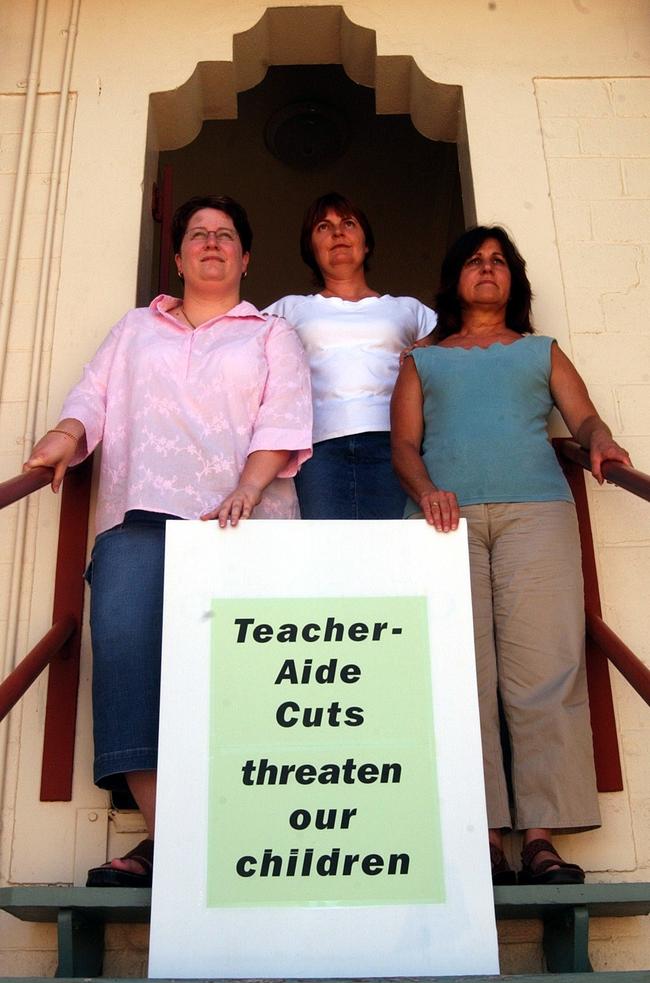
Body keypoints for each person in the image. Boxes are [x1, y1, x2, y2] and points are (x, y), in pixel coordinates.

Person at [24, 195, 312, 887]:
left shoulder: (271, 334)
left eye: (225, 236)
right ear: (178, 256)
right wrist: (63, 438)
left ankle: (239, 838)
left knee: (241, 680)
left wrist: (247, 485)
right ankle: (173, 838)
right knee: (126, 659)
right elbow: (91, 398)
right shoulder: (134, 329)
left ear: (244, 257)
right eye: (197, 235)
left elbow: (286, 415)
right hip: (139, 515)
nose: (211, 244)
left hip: (244, 523)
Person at [391, 225, 632, 885]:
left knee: (545, 670)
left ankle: (540, 837)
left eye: (499, 261)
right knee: (460, 675)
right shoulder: (424, 358)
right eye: (474, 260)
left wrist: (603, 440)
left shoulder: (539, 351)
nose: (488, 269)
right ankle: (483, 835)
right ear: (455, 278)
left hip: (538, 513)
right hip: (444, 520)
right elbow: (404, 446)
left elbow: (582, 419)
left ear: (514, 281)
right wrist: (428, 490)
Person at [266, 192, 436, 519]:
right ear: (310, 248)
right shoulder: (288, 309)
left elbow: (452, 351)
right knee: (329, 555)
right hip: (317, 448)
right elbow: (236, 340)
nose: (338, 233)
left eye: (348, 223)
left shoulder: (411, 310)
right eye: (323, 227)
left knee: (392, 554)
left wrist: (424, 354)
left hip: (395, 445)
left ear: (366, 242)